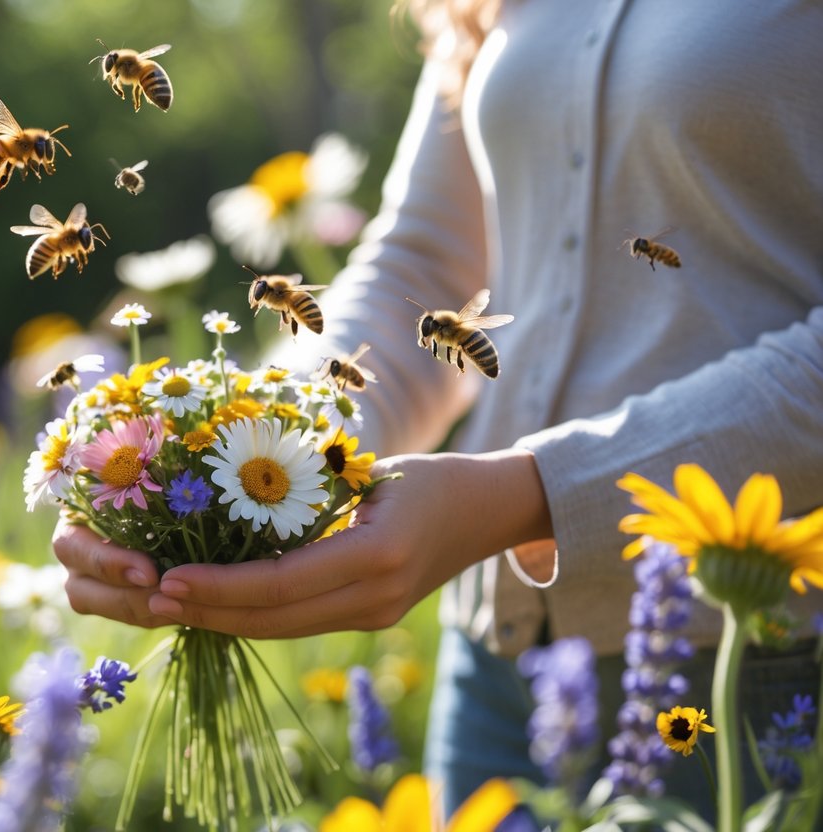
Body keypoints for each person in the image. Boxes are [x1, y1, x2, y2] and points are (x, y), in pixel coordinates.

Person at [53, 0, 823, 820]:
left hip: (765, 672)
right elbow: (418, 269)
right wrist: (241, 449)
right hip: (493, 669)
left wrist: (529, 495)